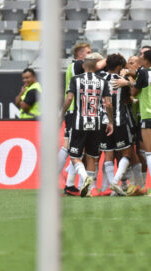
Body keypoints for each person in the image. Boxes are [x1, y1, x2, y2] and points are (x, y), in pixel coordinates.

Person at [113, 50, 151, 196]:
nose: (140, 59)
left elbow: (136, 89)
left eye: (141, 57)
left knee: (150, 153)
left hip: (150, 116)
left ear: (146, 60)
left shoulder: (146, 73)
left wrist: (125, 82)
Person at [61, 53, 114, 197]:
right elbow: (108, 104)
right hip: (96, 123)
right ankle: (91, 190)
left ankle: (85, 178)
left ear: (84, 65)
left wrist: (61, 113)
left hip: (79, 122)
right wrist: (110, 121)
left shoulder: (75, 79)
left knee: (74, 155)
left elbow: (69, 98)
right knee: (91, 156)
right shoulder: (103, 81)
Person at [98, 54, 139, 196]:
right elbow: (136, 87)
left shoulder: (100, 77)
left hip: (102, 122)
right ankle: (115, 182)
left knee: (108, 155)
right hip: (119, 121)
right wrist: (128, 81)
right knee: (127, 153)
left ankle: (111, 188)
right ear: (119, 67)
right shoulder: (123, 80)